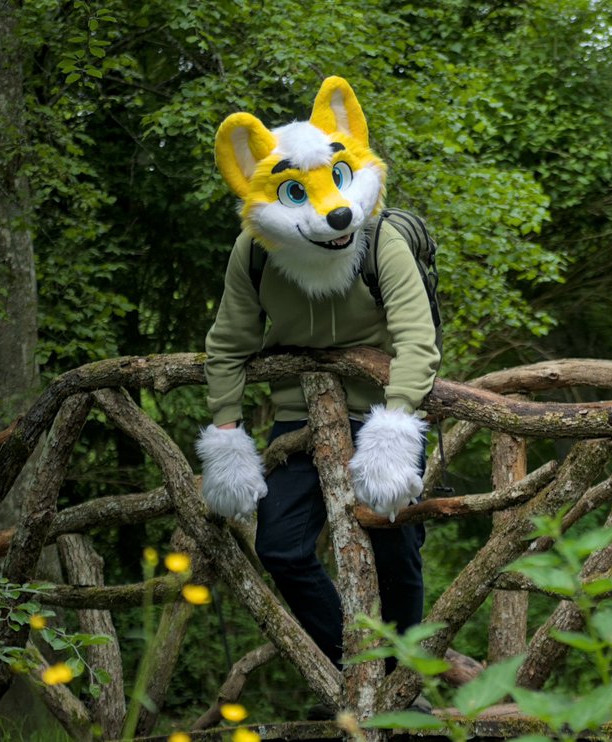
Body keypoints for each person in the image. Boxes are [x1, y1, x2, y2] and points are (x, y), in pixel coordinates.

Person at [195, 76, 440, 668]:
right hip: (296, 420)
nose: (334, 211)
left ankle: (402, 677)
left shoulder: (381, 242)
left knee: (395, 548)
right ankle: (356, 667)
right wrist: (226, 431)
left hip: (381, 411)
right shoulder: (253, 252)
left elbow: (417, 338)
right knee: (280, 548)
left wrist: (398, 424)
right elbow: (227, 343)